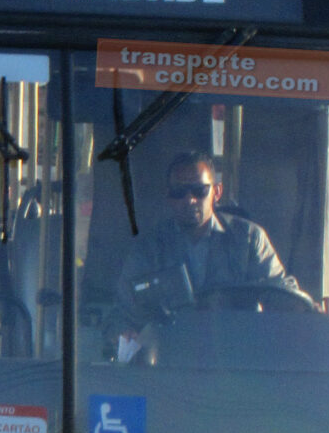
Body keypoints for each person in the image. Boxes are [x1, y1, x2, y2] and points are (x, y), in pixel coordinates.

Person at [102, 152, 313, 356]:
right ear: (168, 196)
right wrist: (122, 333)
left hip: (239, 361)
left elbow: (281, 293)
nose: (190, 199)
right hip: (171, 364)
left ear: (217, 192)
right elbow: (121, 313)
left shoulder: (249, 240)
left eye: (199, 190)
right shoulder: (149, 249)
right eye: (179, 192)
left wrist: (304, 309)